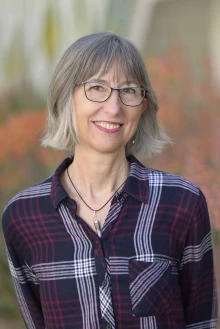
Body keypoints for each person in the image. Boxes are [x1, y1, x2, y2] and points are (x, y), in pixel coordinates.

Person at [2, 32, 218, 329]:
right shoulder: (23, 216)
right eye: (97, 88)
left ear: (143, 105)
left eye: (128, 90)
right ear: (67, 98)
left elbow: (201, 322)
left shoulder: (182, 203)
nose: (114, 108)